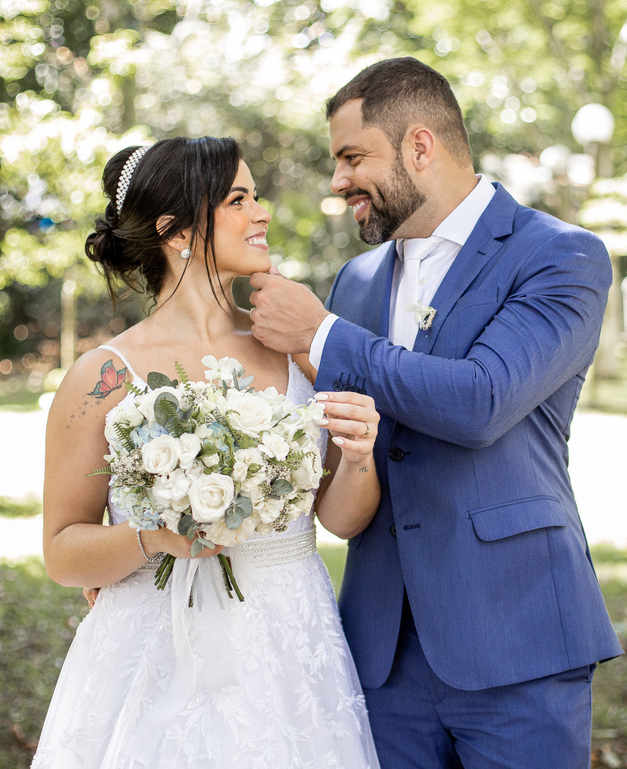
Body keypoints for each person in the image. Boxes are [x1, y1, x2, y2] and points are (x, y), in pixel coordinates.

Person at [249, 57, 624, 769]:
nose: (337, 182)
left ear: (419, 146)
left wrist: (323, 335)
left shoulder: (560, 257)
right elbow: (336, 452)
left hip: (519, 639)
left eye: (352, 157)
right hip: (382, 652)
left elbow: (482, 400)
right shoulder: (355, 282)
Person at [33, 136, 382, 769]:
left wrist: (360, 454)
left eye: (257, 196)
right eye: (238, 199)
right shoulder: (102, 377)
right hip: (155, 647)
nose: (262, 212)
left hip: (289, 645)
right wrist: (157, 538)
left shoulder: (293, 348)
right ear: (177, 231)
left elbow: (341, 519)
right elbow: (62, 552)